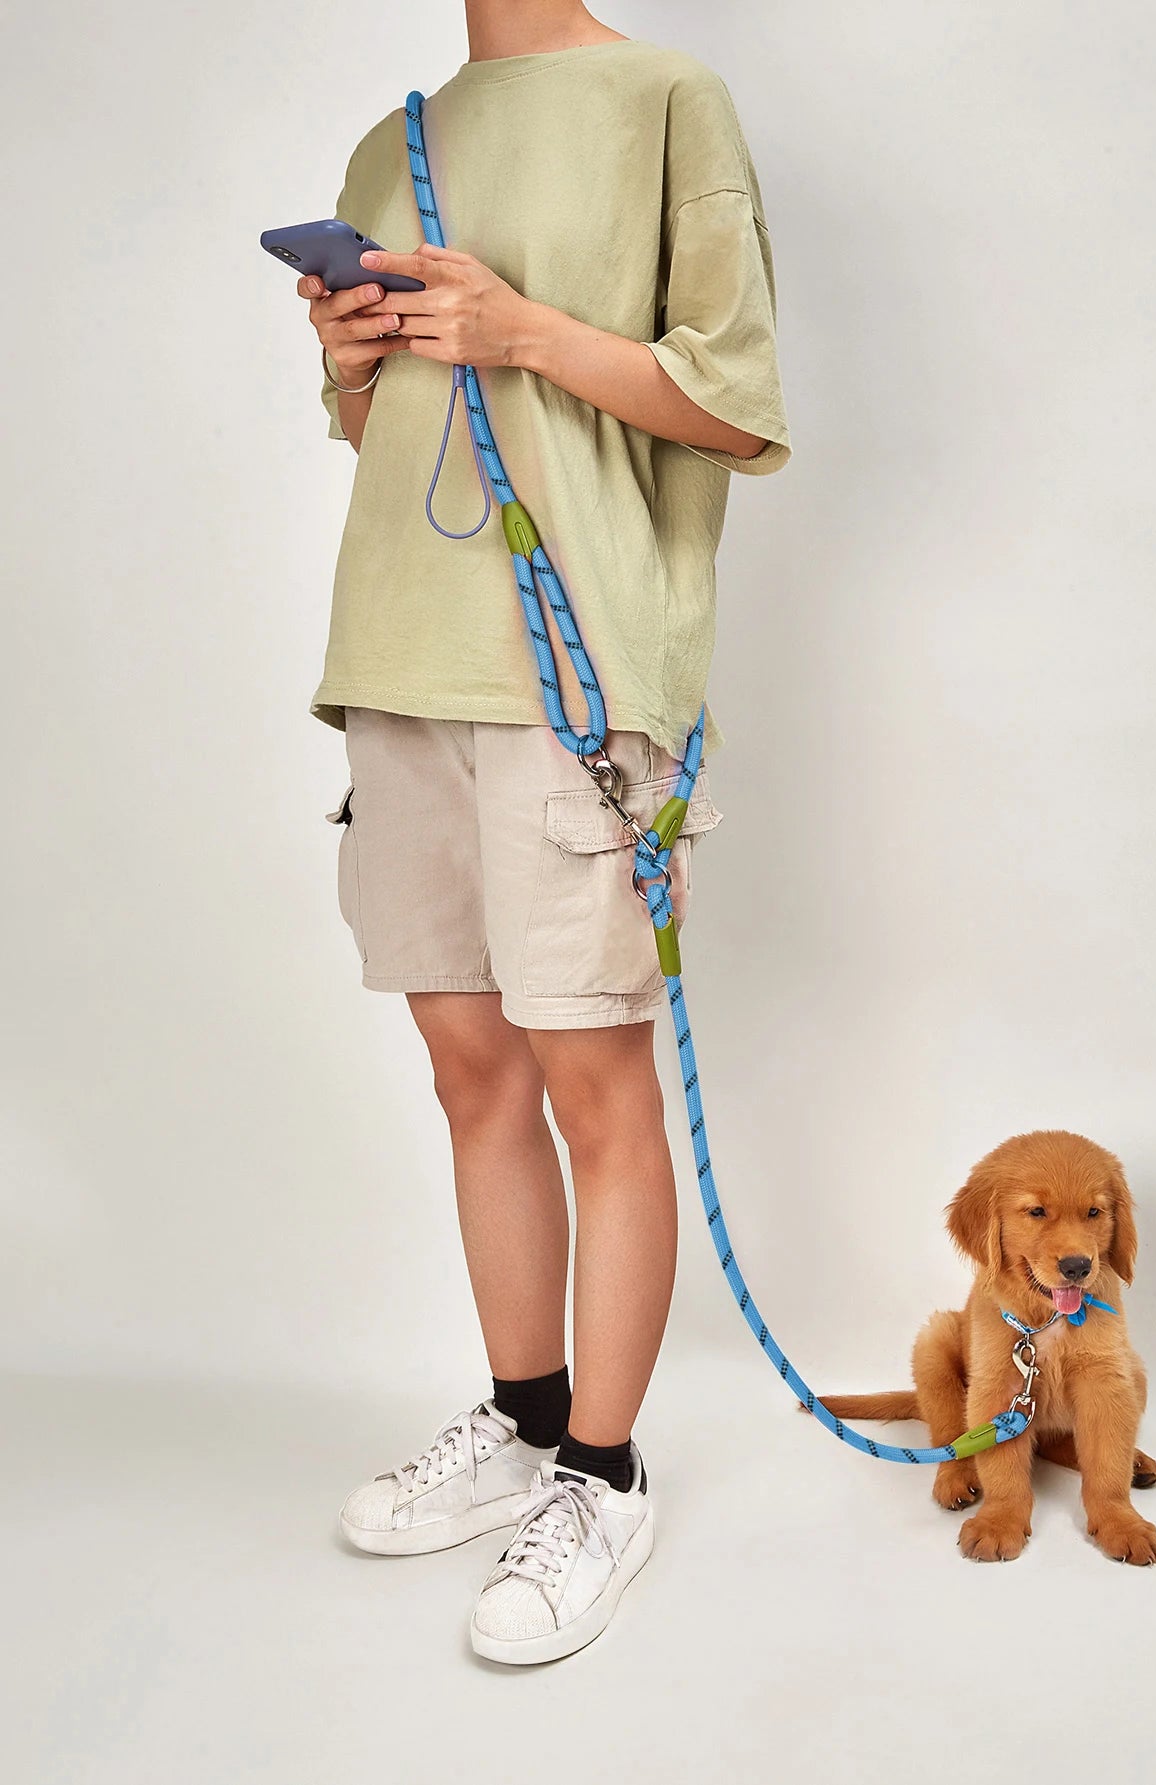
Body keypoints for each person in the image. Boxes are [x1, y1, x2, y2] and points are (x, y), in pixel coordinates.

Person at [292, 0, 789, 1664]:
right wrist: (353, 362)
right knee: (470, 1071)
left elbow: (735, 407)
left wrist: (520, 328)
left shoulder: (668, 99)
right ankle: (522, 1418)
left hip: (574, 673)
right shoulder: (394, 142)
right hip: (396, 654)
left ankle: (606, 1470)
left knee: (592, 1073)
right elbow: (377, 432)